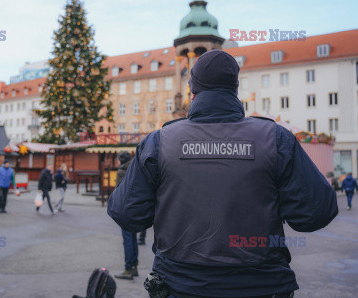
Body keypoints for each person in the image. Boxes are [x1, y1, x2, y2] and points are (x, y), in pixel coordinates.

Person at [108, 50, 338, 298]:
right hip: (261, 286)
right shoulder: (275, 138)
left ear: (193, 91)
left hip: (181, 286)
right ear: (234, 90)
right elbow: (316, 213)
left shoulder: (160, 142)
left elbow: (127, 213)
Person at [114, 151, 139, 281]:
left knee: (127, 240)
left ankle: (128, 269)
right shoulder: (135, 169)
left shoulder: (121, 171)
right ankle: (134, 267)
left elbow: (119, 192)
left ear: (121, 160)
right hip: (135, 209)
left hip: (126, 209)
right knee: (133, 239)